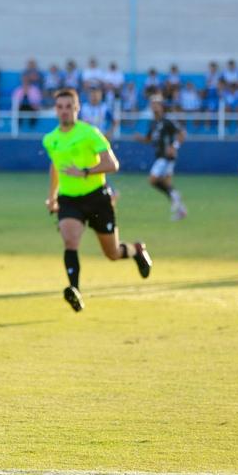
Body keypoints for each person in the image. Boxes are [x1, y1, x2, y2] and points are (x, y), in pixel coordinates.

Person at [43, 88, 152, 313]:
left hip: (96, 198)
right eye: (60, 107)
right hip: (69, 200)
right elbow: (55, 167)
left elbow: (112, 164)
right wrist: (52, 196)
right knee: (69, 240)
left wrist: (84, 171)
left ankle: (136, 250)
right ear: (56, 110)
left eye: (68, 107)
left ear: (77, 108)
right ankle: (74, 290)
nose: (64, 111)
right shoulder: (50, 139)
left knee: (112, 253)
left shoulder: (89, 133)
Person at [139, 95, 187, 220]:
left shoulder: (167, 121)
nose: (154, 106)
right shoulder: (153, 123)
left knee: (152, 179)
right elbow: (149, 139)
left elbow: (182, 133)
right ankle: (180, 210)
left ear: (162, 107)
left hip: (166, 157)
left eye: (157, 104)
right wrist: (140, 139)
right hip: (159, 156)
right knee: (166, 184)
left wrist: (174, 146)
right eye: (152, 104)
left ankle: (175, 195)